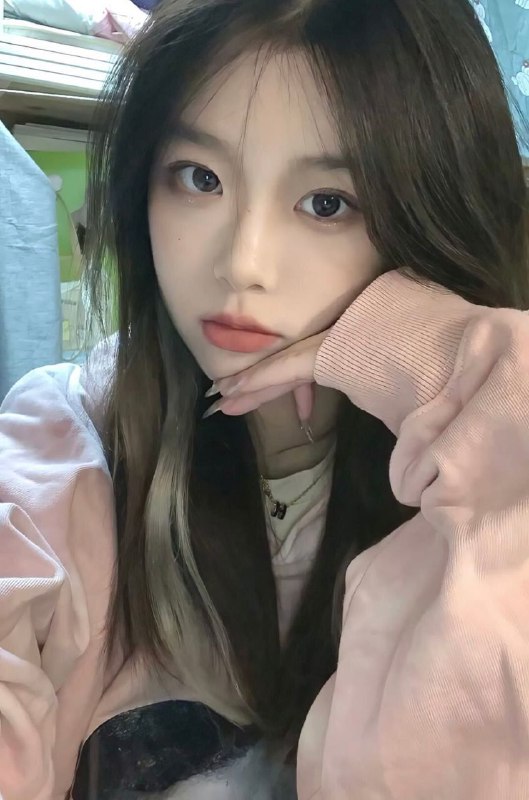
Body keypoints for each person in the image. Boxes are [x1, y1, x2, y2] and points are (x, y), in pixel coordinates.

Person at [1, 0, 529, 797]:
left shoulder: (470, 483)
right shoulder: (66, 446)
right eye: (199, 178)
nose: (243, 263)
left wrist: (444, 359)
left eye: (327, 203)